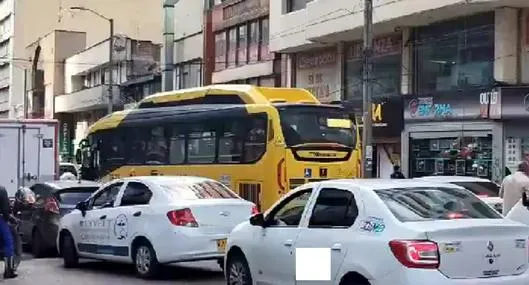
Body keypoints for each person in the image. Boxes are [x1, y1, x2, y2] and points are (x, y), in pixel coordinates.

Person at [0, 186, 16, 278]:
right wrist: (12, 219)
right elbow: (5, 211)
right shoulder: (2, 190)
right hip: (1, 220)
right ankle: (9, 270)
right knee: (8, 243)